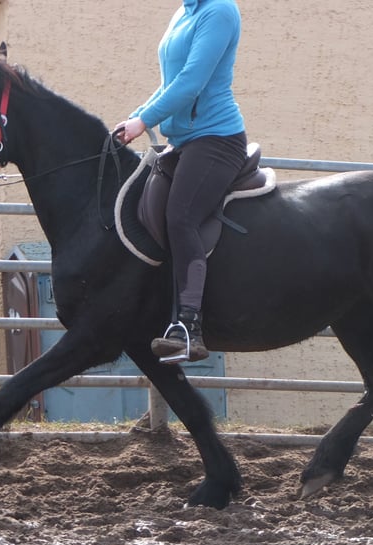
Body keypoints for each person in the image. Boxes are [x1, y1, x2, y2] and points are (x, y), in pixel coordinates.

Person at [115, 0, 247, 363]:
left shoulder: (218, 10)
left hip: (216, 138)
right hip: (183, 141)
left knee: (181, 216)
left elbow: (191, 81)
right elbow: (169, 84)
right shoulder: (185, 12)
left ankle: (188, 326)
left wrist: (144, 122)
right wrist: (137, 117)